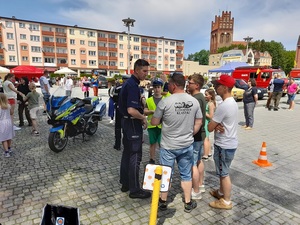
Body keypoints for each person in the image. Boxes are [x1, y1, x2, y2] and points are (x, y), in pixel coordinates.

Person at [151, 72, 202, 213]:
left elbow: (154, 122)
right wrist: (192, 132)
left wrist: (161, 119)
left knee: (166, 174)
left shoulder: (165, 102)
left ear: (173, 85)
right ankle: (188, 202)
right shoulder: (194, 101)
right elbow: (199, 121)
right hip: (186, 144)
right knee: (186, 174)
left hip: (168, 146)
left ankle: (162, 202)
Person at [118, 59, 151, 199]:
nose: (146, 74)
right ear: (136, 70)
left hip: (126, 124)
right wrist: (143, 118)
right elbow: (131, 110)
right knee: (135, 156)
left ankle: (125, 183)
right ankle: (135, 189)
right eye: (144, 71)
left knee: (127, 154)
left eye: (147, 71)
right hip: (131, 124)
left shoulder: (131, 84)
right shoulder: (132, 85)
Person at [208, 74, 238, 210]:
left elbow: (209, 127)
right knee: (222, 171)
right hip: (229, 142)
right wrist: (217, 124)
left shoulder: (224, 106)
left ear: (225, 88)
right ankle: (220, 193)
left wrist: (214, 124)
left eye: (217, 85)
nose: (215, 87)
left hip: (224, 145)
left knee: (224, 173)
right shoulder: (232, 102)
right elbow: (220, 123)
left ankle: (226, 201)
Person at [186, 74, 206, 200]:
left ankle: (196, 190)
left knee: (192, 163)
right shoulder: (199, 97)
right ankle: (200, 184)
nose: (188, 84)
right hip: (200, 135)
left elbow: (196, 119)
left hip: (195, 135)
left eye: (190, 82)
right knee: (198, 160)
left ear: (197, 85)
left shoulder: (197, 99)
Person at [144, 78, 164, 164]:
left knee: (162, 144)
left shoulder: (165, 99)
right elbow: (144, 111)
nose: (157, 89)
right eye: (155, 87)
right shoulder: (149, 100)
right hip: (152, 126)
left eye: (158, 87)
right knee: (152, 143)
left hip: (163, 126)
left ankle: (163, 160)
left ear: (161, 88)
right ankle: (152, 159)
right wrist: (151, 111)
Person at [112, 75, 130, 151]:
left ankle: (117, 144)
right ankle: (126, 145)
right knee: (126, 128)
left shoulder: (118, 88)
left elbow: (114, 98)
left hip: (119, 109)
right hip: (128, 110)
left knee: (118, 128)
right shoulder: (131, 88)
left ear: (122, 80)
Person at [202, 89, 216, 161]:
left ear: (211, 95)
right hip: (205, 121)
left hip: (206, 122)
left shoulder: (211, 104)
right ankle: (209, 152)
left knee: (205, 139)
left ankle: (205, 154)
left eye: (206, 94)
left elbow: (211, 116)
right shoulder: (208, 102)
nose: (205, 96)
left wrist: (203, 112)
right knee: (207, 138)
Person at [0, 93, 15, 157]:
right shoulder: (8, 105)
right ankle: (9, 148)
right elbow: (11, 113)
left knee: (4, 139)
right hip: (9, 122)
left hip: (2, 123)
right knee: (9, 136)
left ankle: (6, 152)